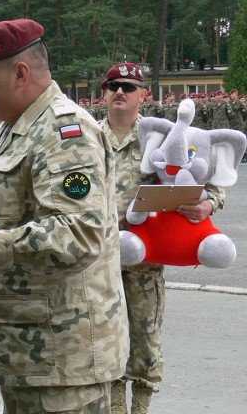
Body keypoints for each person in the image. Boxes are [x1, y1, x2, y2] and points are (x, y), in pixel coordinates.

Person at [0, 19, 128, 413]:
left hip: (61, 362)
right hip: (25, 353)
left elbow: (80, 234)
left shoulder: (62, 130)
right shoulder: (9, 128)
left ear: (20, 73)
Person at [99, 62, 225, 414]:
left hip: (145, 263)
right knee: (102, 338)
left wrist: (207, 205)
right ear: (103, 93)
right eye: (113, 86)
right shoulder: (86, 138)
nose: (119, 91)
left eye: (128, 86)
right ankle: (113, 407)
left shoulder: (164, 137)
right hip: (96, 259)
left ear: (143, 94)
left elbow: (210, 182)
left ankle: (140, 407)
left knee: (145, 339)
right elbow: (70, 185)